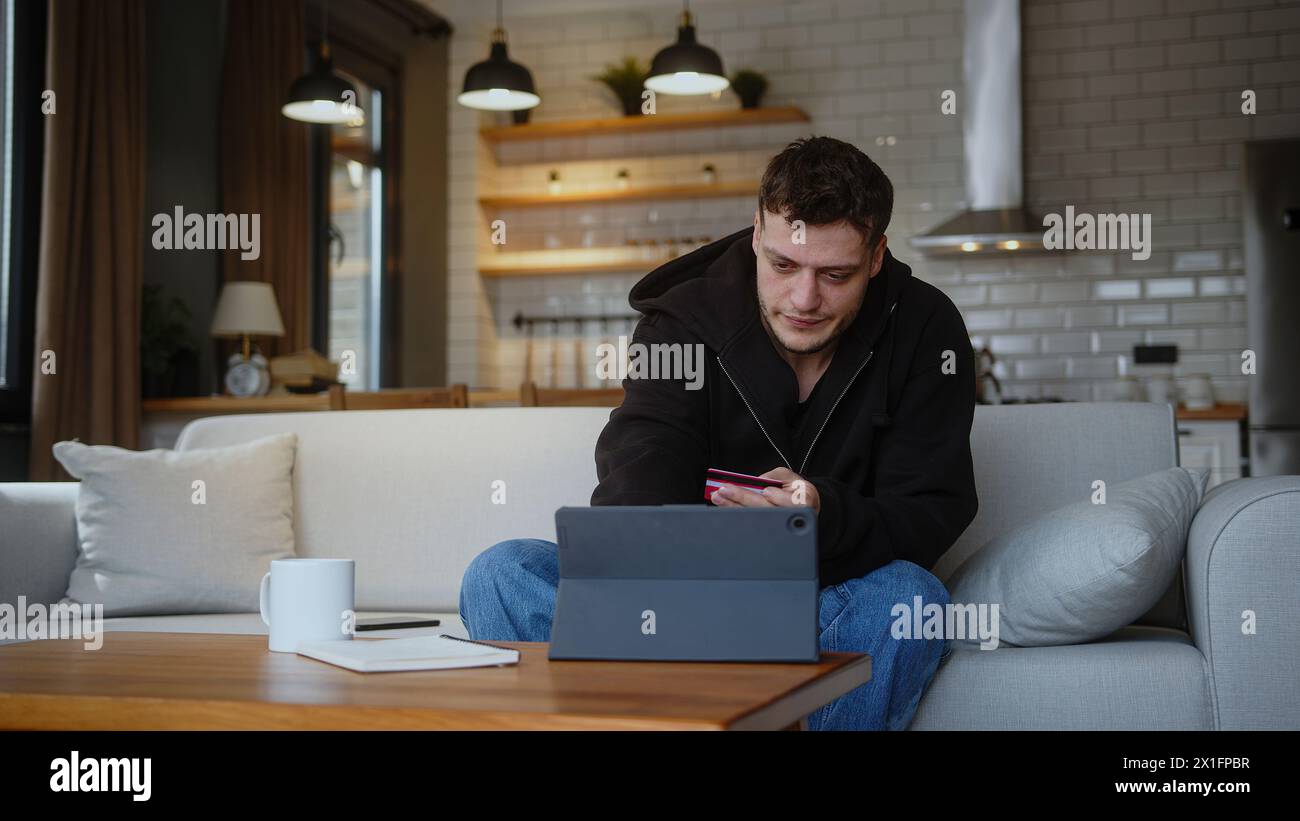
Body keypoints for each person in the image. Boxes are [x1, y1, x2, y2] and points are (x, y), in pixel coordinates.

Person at [460, 136, 978, 730]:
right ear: (757, 233)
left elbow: (928, 510)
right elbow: (643, 458)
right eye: (784, 265)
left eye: (836, 275)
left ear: (877, 255)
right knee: (500, 572)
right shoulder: (680, 322)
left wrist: (817, 512)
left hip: (829, 599)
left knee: (910, 599)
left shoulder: (926, 330)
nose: (804, 299)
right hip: (678, 595)